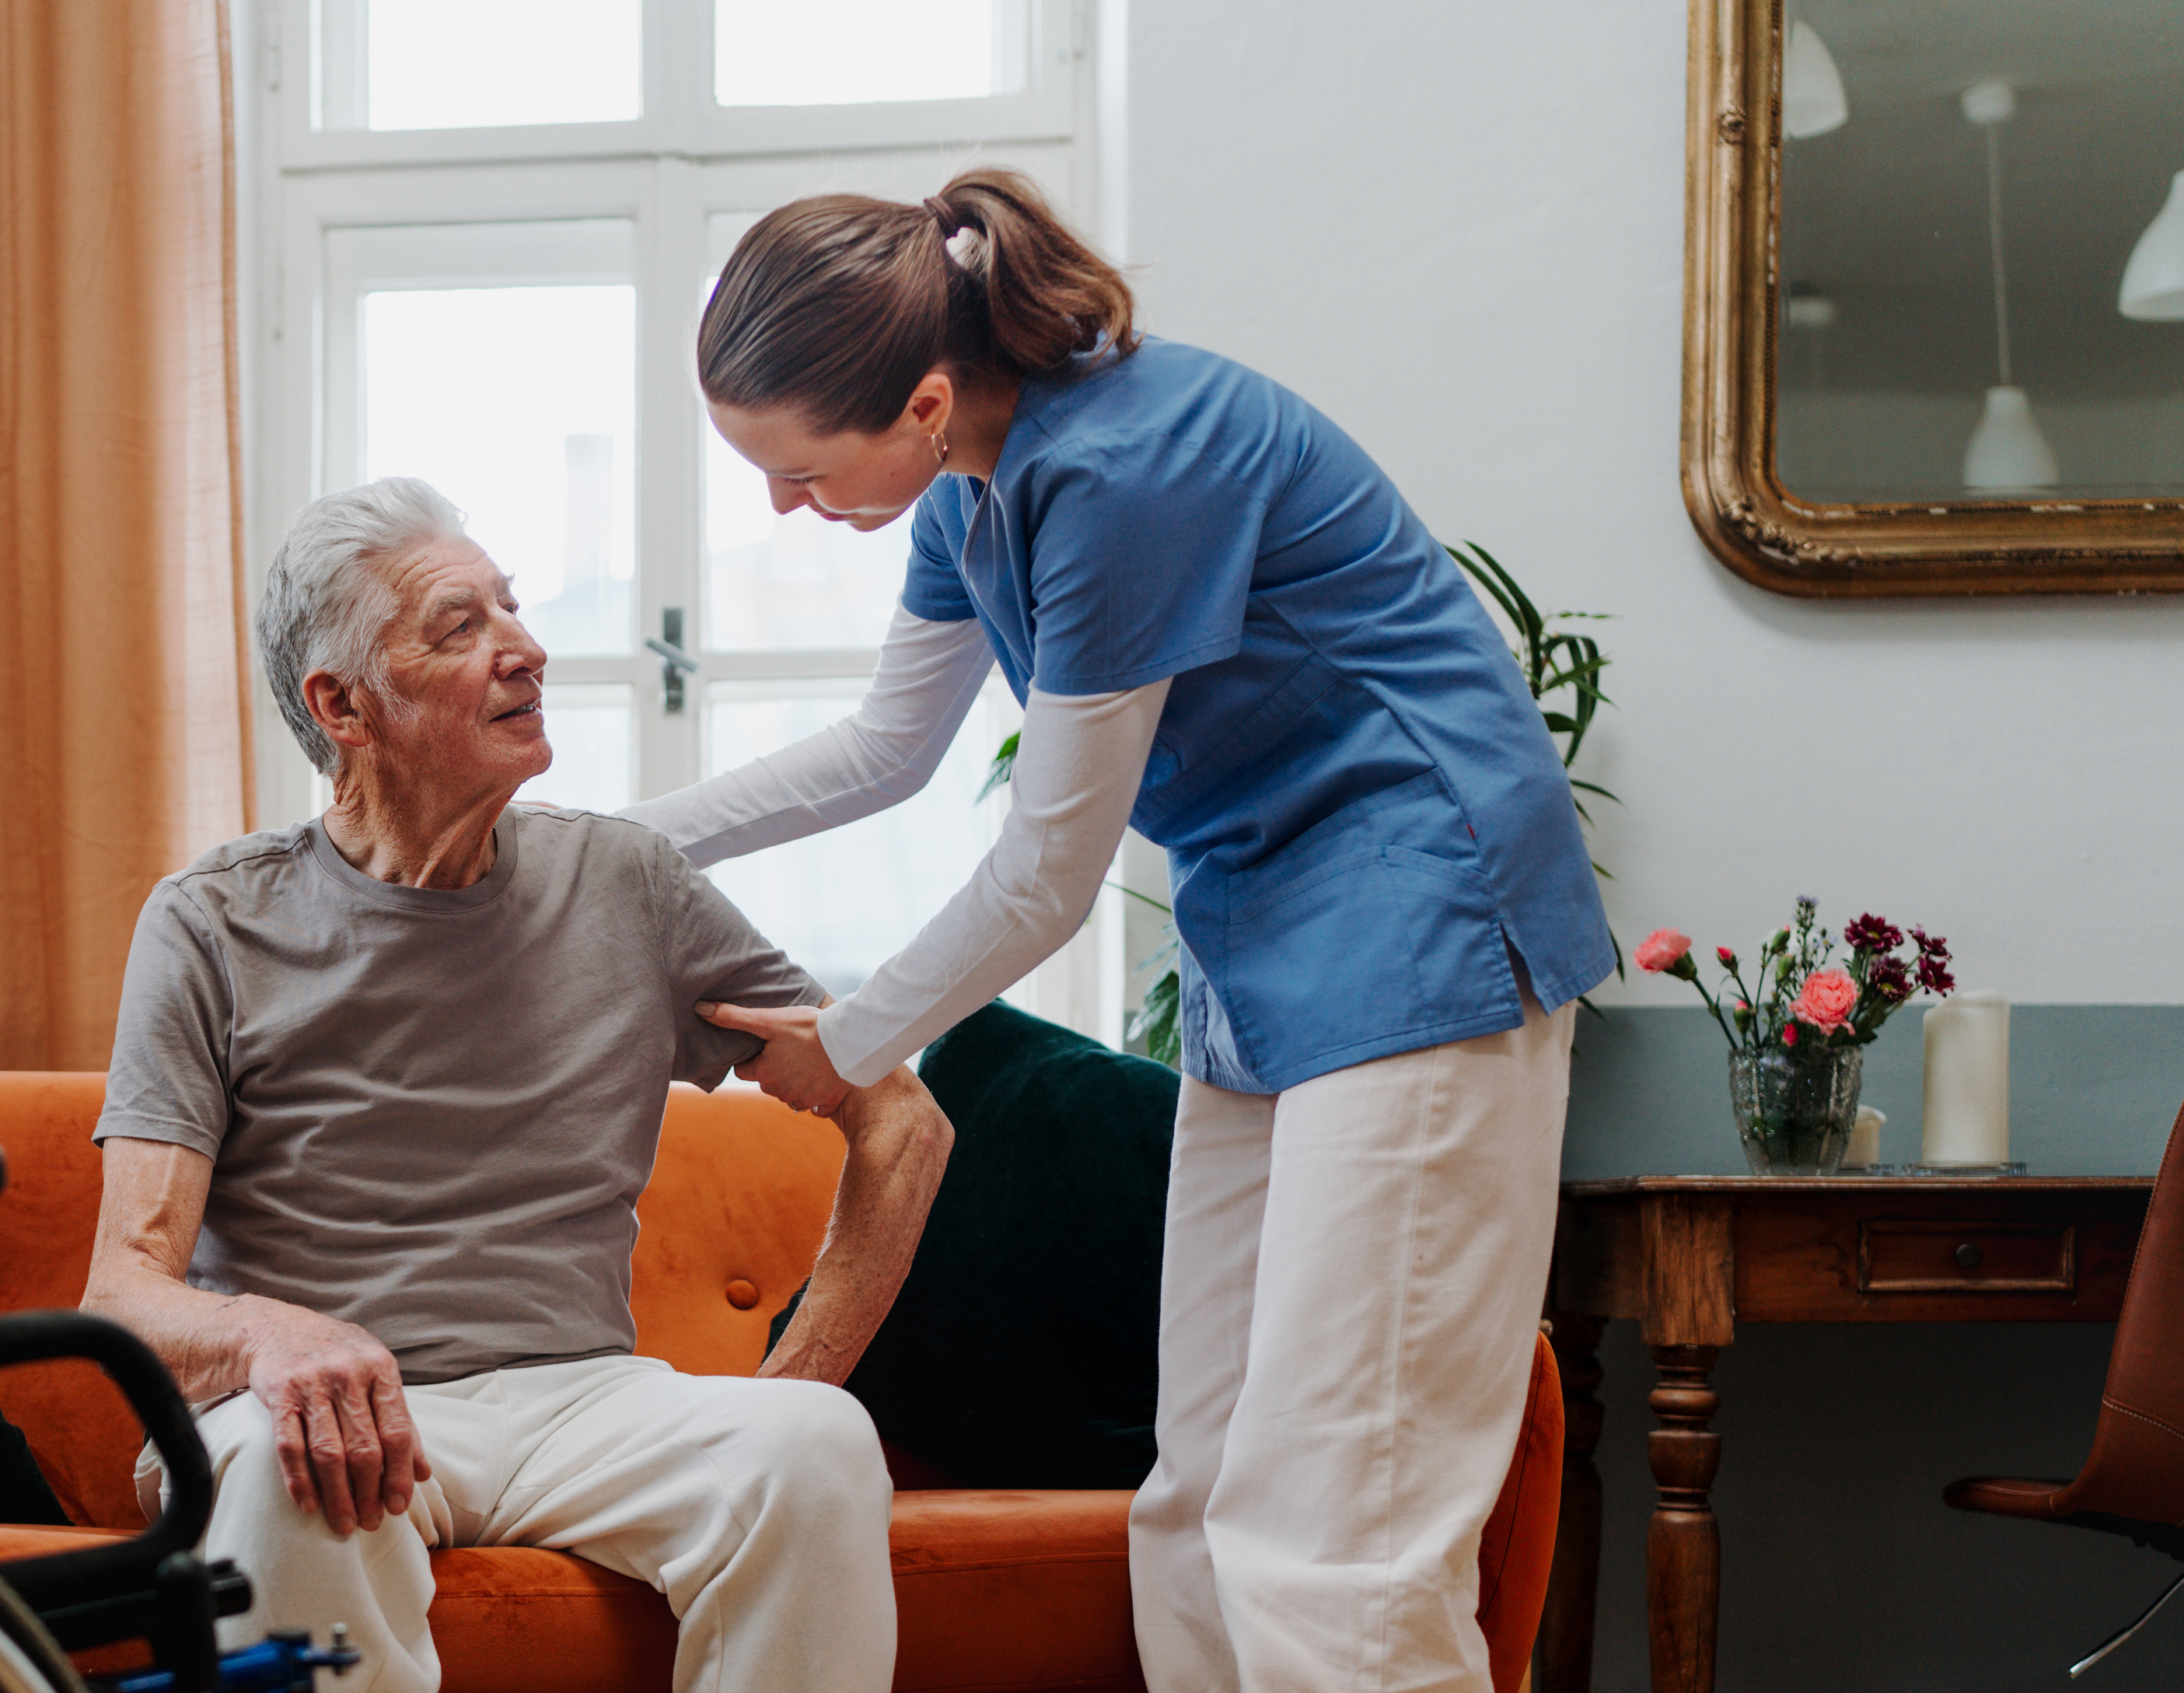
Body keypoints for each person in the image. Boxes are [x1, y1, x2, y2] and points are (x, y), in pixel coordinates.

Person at [627, 168, 1609, 1693]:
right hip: (1264, 934)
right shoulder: (968, 480)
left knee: (1340, 1531)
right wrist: (618, 846)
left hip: (1426, 922)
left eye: (803, 475)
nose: (782, 508)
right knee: (1202, 1503)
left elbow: (1047, 873)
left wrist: (859, 1043)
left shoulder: (1127, 467)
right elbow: (889, 748)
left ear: (923, 400)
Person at [82, 476, 952, 1693]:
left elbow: (899, 1114)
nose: (527, 650)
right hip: (319, 1404)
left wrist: (793, 1376)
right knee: (296, 1472)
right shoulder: (214, 923)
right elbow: (123, 1291)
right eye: (460, 626)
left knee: (810, 1444)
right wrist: (267, 1337)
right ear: (343, 704)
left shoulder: (627, 884)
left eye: (513, 609)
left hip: (581, 1401)